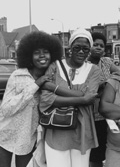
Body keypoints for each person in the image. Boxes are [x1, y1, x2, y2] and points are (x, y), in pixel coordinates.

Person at [40, 28, 101, 167]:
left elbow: (90, 96)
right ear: (70, 48)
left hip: (82, 131)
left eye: (85, 49)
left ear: (89, 50)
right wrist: (81, 99)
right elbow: (46, 99)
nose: (81, 52)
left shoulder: (93, 70)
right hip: (57, 129)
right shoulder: (55, 66)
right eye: (77, 47)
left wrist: (53, 88)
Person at [0, 31, 63, 167]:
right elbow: (6, 109)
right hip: (5, 135)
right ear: (29, 55)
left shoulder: (53, 79)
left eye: (45, 51)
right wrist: (35, 85)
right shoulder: (18, 75)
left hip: (27, 139)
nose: (41, 55)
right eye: (36, 52)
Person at [88, 32, 120, 167]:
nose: (99, 48)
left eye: (101, 45)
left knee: (105, 147)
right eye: (95, 44)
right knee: (93, 152)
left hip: (105, 114)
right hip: (90, 114)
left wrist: (109, 83)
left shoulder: (107, 62)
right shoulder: (84, 63)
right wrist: (102, 84)